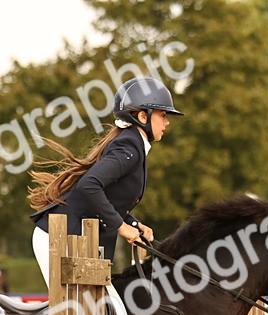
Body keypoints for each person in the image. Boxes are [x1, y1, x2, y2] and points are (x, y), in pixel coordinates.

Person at [27, 75, 183, 283]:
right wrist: (122, 227)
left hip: (77, 238)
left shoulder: (132, 145)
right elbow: (89, 185)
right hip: (59, 237)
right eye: (162, 115)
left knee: (106, 309)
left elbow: (108, 198)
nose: (167, 121)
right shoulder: (130, 146)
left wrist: (134, 225)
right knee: (82, 312)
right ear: (143, 117)